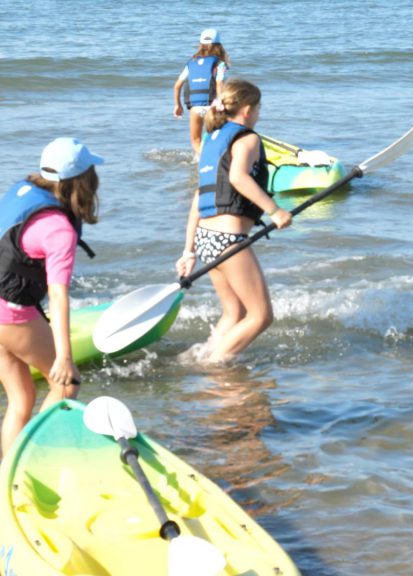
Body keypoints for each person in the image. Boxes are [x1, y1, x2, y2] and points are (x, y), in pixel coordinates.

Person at [0, 137, 102, 455]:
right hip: (5, 313)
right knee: (66, 385)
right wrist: (65, 358)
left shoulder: (21, 191)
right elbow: (59, 296)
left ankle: (11, 471)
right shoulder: (59, 229)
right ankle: (35, 458)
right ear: (84, 181)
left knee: (22, 398)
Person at [175, 79, 293, 364]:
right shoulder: (248, 138)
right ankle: (214, 365)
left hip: (206, 237)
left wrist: (189, 250)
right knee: (261, 316)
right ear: (248, 109)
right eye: (259, 109)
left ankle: (197, 357)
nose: (259, 115)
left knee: (235, 313)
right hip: (228, 240)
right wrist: (275, 211)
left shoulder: (211, 141)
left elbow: (198, 199)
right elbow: (237, 177)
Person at [172, 28, 231, 158]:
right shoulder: (219, 63)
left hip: (195, 108)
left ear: (200, 44)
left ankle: (203, 160)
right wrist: (221, 104)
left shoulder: (191, 63)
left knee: (196, 140)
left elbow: (177, 86)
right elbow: (219, 84)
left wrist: (178, 105)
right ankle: (216, 160)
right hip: (212, 106)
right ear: (219, 46)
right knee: (216, 138)